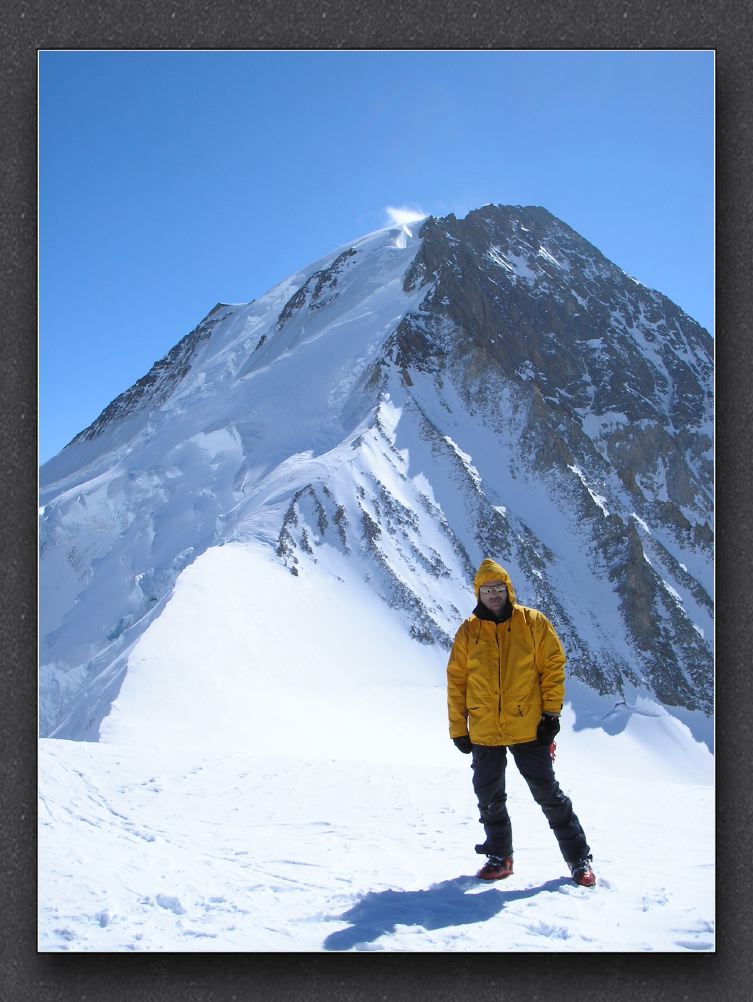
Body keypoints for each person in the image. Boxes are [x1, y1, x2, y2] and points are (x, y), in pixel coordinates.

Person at [447, 557, 596, 887]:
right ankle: (500, 856)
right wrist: (459, 728)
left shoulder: (533, 623)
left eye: (498, 588)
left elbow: (553, 667)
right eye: (487, 589)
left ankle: (578, 859)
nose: (493, 594)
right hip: (485, 729)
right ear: (478, 593)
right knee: (488, 796)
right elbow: (457, 681)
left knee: (547, 793)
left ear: (508, 589)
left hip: (529, 726)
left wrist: (551, 715)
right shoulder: (468, 632)